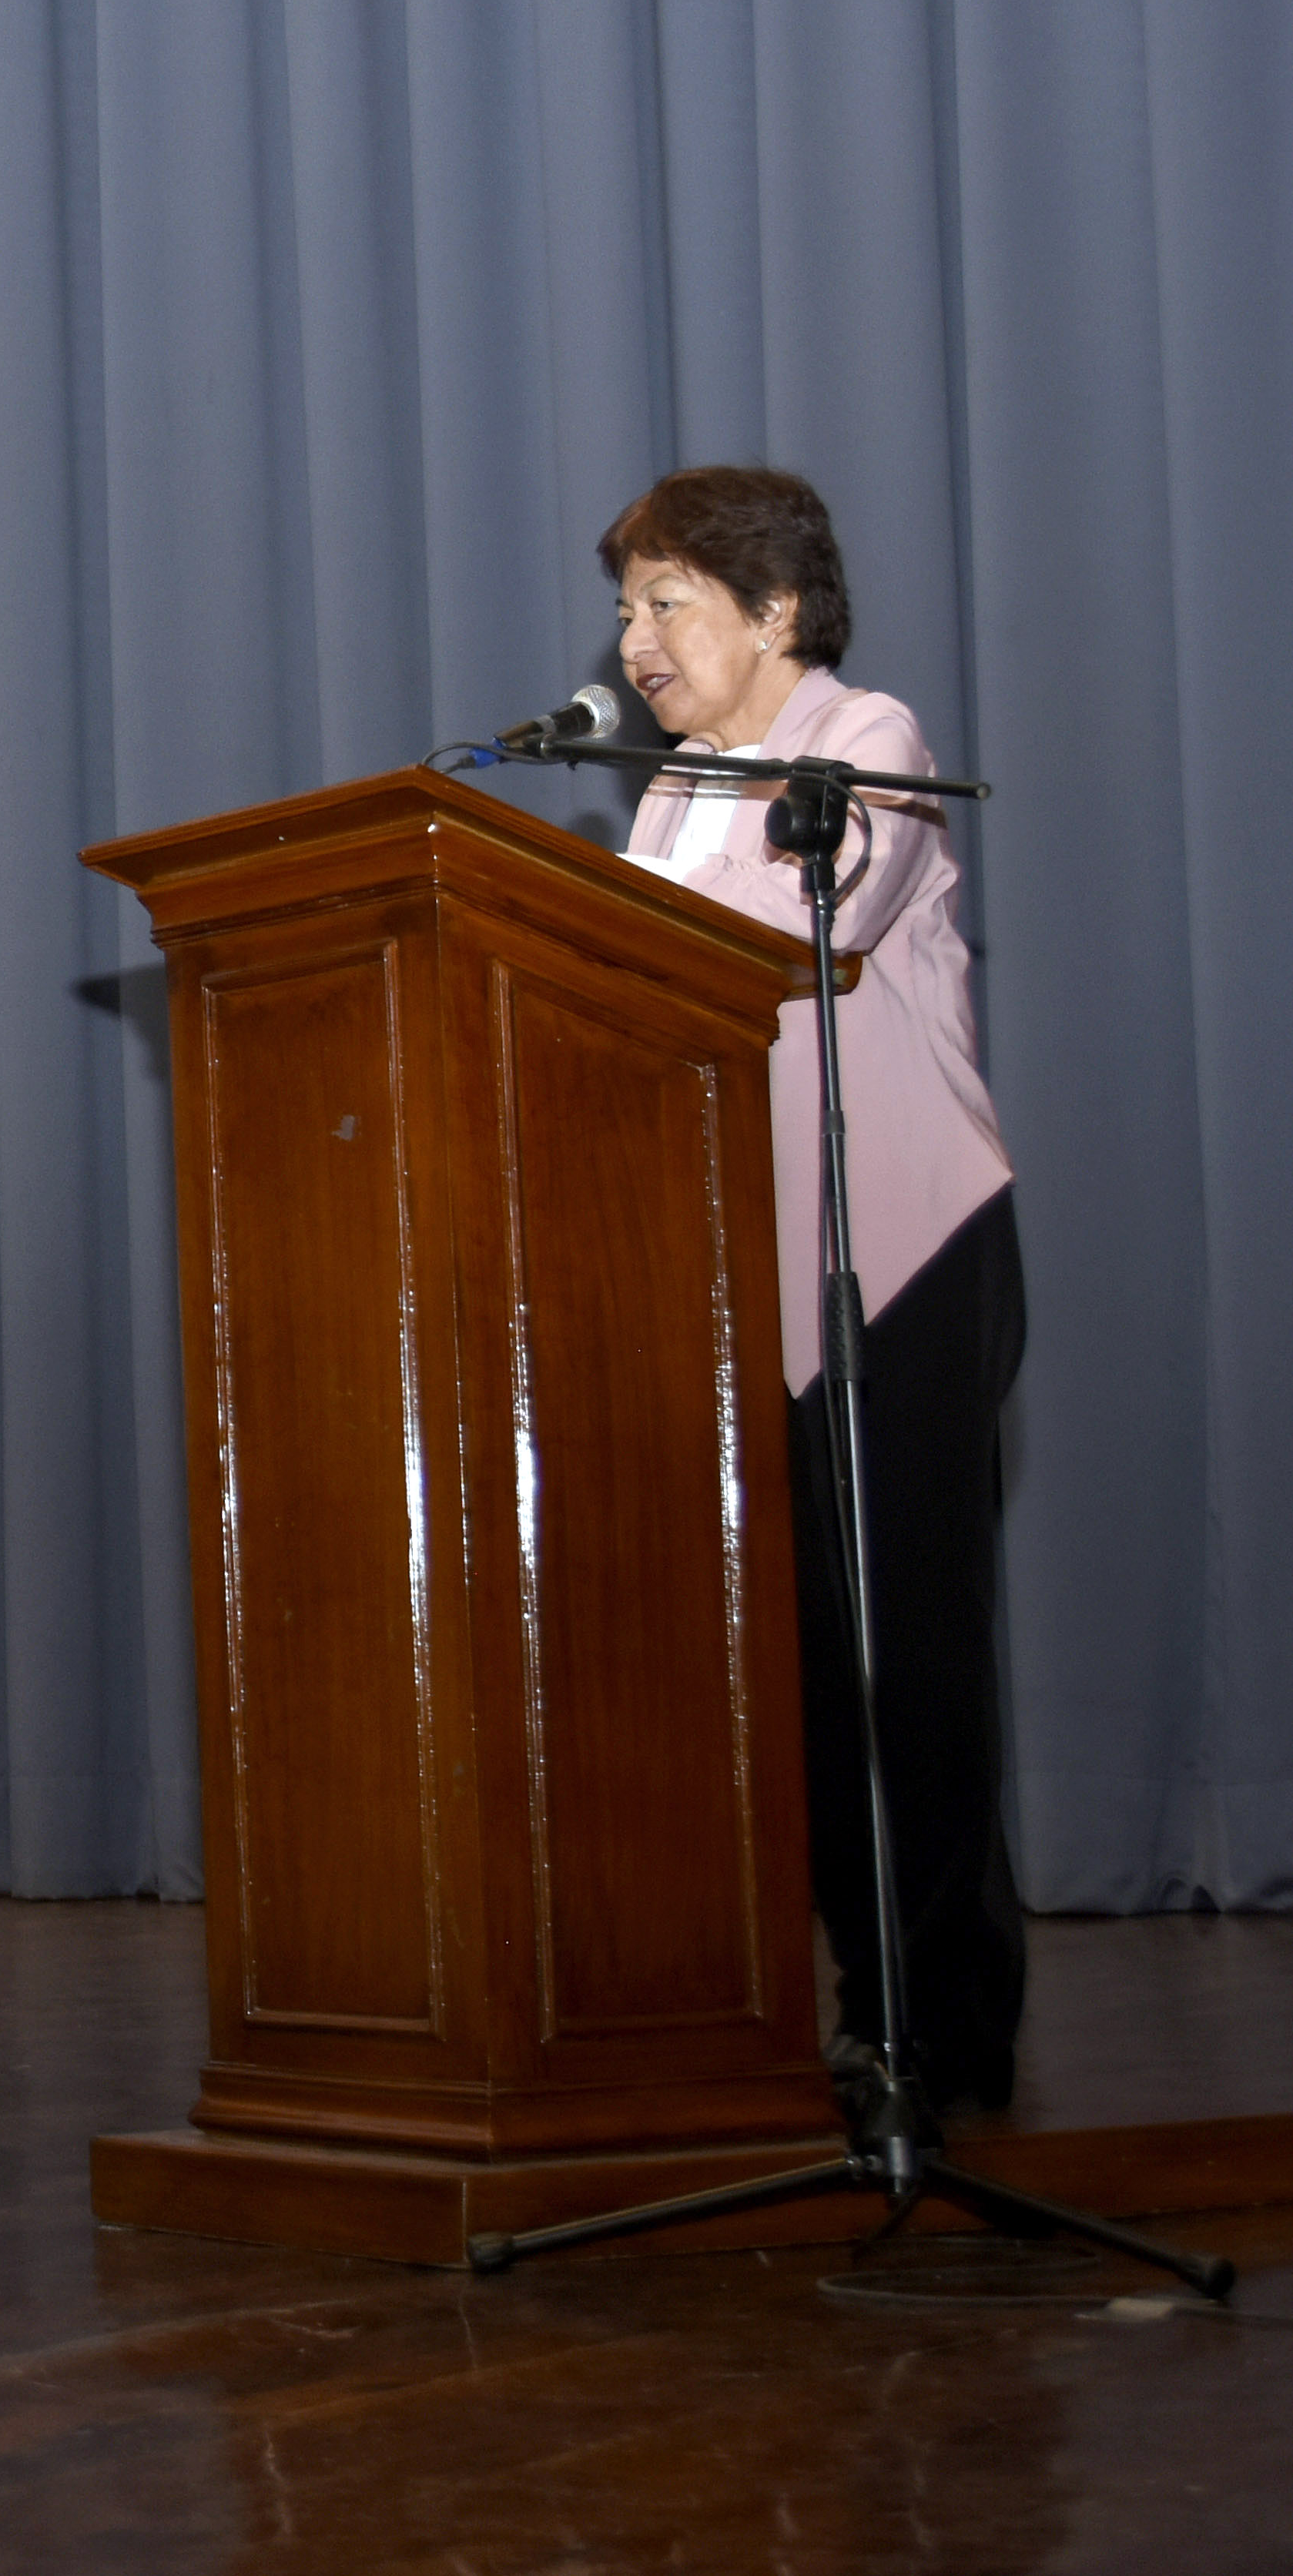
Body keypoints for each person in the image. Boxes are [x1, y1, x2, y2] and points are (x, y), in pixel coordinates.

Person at [602, 463, 1023, 2111]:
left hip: (899, 1258)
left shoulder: (869, 745)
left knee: (906, 1652)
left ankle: (952, 2023)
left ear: (776, 610)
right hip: (739, 1277)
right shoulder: (664, 795)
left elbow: (792, 936)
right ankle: (854, 2002)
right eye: (627, 606)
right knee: (792, 1665)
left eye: (667, 602)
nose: (634, 641)